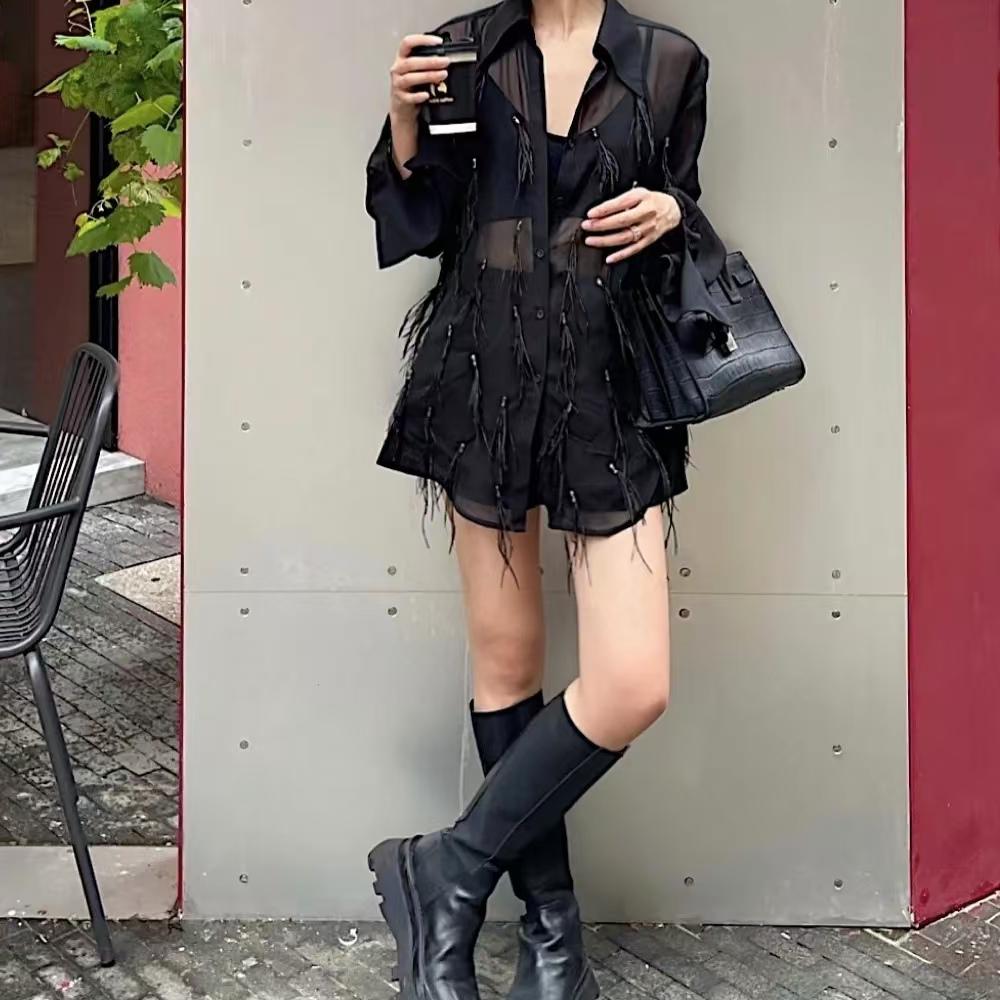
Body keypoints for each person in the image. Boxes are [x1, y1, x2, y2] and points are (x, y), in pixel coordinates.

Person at [364, 1, 728, 998]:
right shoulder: (462, 51)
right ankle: (552, 942)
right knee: (506, 661)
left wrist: (672, 213)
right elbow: (421, 225)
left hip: (610, 391)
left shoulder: (667, 62)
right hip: (480, 378)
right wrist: (402, 122)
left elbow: (681, 214)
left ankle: (449, 865)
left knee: (631, 681)